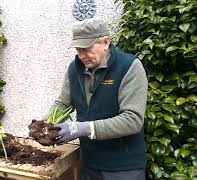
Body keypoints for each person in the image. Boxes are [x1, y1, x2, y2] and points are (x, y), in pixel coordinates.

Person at [48, 19, 148, 180]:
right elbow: (63, 103)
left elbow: (132, 120)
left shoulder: (129, 66)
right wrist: (46, 125)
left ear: (106, 42)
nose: (81, 55)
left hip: (123, 168)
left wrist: (83, 128)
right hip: (88, 163)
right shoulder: (74, 69)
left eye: (86, 48)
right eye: (77, 49)